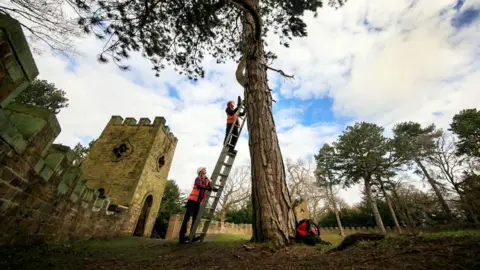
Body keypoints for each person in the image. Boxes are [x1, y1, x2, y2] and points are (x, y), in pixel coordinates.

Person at [178, 167, 218, 244]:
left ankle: (192, 236)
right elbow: (199, 186)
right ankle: (181, 237)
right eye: (204, 169)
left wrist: (215, 189)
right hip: (192, 200)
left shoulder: (206, 179)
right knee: (187, 217)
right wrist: (208, 188)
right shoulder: (198, 178)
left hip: (198, 202)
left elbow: (210, 186)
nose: (205, 169)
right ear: (200, 171)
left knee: (195, 219)